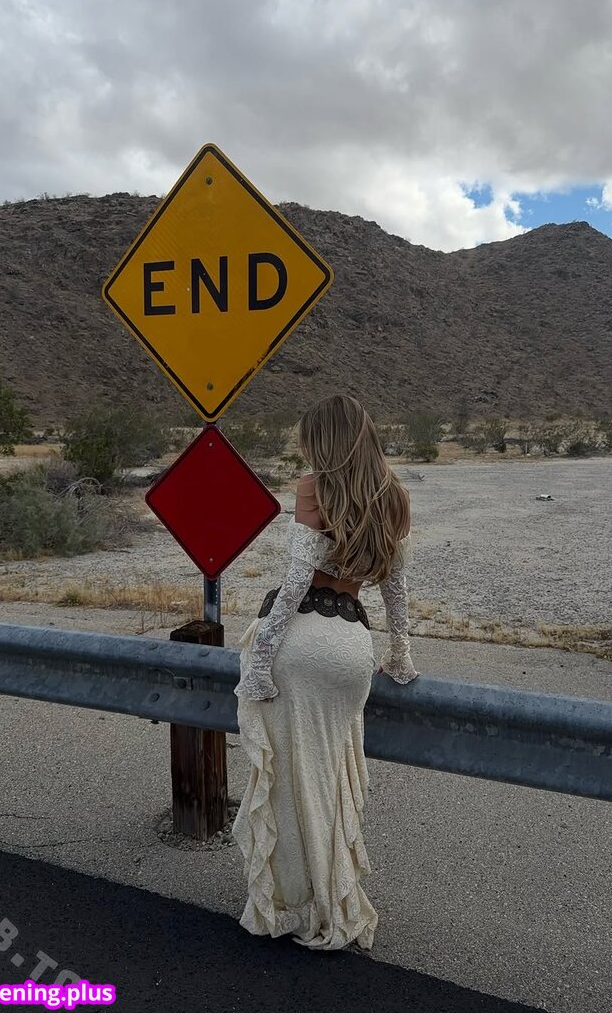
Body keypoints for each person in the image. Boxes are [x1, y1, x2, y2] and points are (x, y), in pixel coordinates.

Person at [231, 394, 419, 953]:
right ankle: (335, 900)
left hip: (301, 645)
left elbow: (295, 583)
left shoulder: (314, 487)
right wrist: (401, 656)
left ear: (323, 441)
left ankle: (294, 906)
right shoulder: (395, 496)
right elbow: (396, 590)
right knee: (331, 781)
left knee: (290, 788)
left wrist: (260, 661)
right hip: (351, 648)